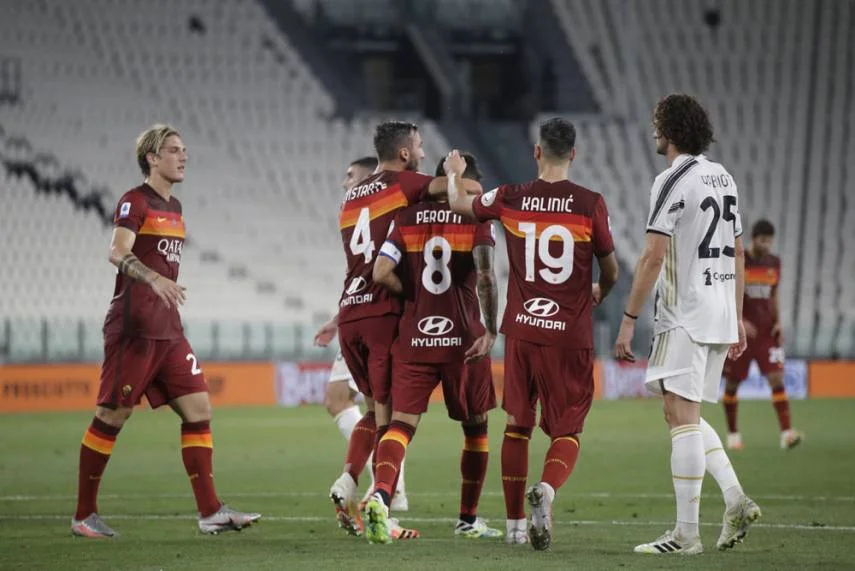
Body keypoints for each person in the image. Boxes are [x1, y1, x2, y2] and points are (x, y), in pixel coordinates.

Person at [71, 124, 260, 538]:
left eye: (184, 149)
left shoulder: (175, 207)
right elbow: (116, 251)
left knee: (199, 410)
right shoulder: (134, 201)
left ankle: (210, 512)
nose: (183, 156)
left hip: (169, 330)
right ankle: (84, 515)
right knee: (112, 415)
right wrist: (152, 278)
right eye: (174, 150)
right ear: (152, 158)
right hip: (134, 328)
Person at [445, 118, 620, 550]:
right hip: (569, 333)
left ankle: (515, 527)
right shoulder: (590, 203)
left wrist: (453, 173)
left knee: (517, 426)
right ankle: (547, 489)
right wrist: (601, 289)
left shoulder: (511, 196)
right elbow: (611, 268)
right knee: (567, 430)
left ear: (537, 152)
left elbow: (460, 205)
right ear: (573, 154)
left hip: (522, 328)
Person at [613, 94, 761, 555]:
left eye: (658, 123)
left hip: (685, 313)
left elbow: (653, 256)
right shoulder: (723, 177)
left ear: (671, 130)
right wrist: (737, 316)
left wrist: (628, 320)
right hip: (717, 310)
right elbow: (739, 252)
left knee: (680, 416)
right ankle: (735, 499)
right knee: (682, 412)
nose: (654, 131)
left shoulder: (672, 179)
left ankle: (686, 534)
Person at [328, 121, 481, 537]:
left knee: (376, 409)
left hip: (350, 312)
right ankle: (383, 513)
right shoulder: (403, 184)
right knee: (390, 420)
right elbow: (466, 190)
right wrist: (454, 173)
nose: (423, 154)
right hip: (383, 313)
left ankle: (349, 481)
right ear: (403, 154)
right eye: (419, 146)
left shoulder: (350, 198)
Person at [364, 153, 502, 544]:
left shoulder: (405, 218)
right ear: (469, 184)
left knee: (401, 426)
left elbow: (380, 272)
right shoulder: (476, 218)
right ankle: (468, 519)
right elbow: (486, 277)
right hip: (465, 340)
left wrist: (414, 296)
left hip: (415, 337)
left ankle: (381, 496)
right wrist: (492, 329)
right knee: (476, 428)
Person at [314, 156, 408, 514]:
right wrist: (338, 318)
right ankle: (378, 485)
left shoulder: (387, 209)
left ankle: (387, 488)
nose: (345, 183)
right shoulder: (356, 214)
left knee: (380, 408)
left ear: (371, 179)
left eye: (351, 176)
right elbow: (362, 274)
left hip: (380, 318)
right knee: (347, 401)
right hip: (360, 314)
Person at [722, 219, 803, 450]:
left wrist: (778, 322)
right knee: (732, 384)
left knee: (777, 378)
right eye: (763, 240)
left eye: (769, 241)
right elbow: (726, 293)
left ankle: (786, 433)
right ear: (754, 238)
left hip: (767, 332)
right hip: (741, 333)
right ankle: (733, 435)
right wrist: (739, 320)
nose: (766, 245)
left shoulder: (774, 263)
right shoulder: (739, 260)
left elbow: (774, 294)